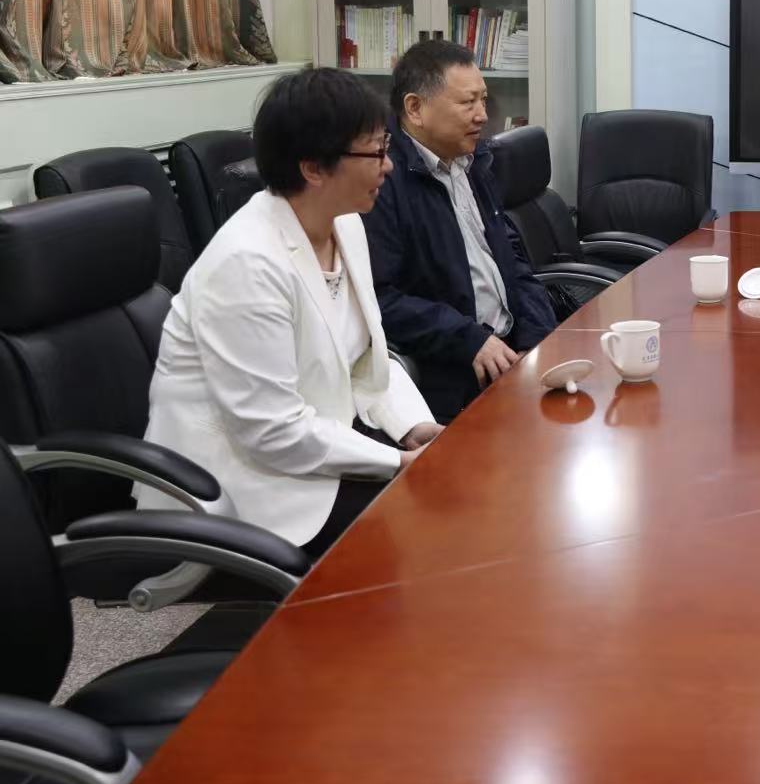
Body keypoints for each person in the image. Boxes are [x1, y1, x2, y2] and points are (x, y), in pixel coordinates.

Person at [141, 69, 442, 556]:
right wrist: (394, 462)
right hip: (241, 484)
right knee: (423, 529)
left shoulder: (345, 224)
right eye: (375, 152)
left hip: (317, 447)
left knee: (450, 494)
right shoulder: (246, 262)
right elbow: (271, 431)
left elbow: (364, 356)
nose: (388, 165)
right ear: (314, 168)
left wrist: (411, 426)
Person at [365, 39, 557, 422]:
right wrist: (470, 340)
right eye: (468, 103)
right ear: (415, 109)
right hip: (454, 375)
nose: (482, 115)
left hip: (510, 355)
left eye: (483, 100)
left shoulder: (474, 161)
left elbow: (513, 262)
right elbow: (379, 300)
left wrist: (538, 341)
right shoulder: (380, 182)